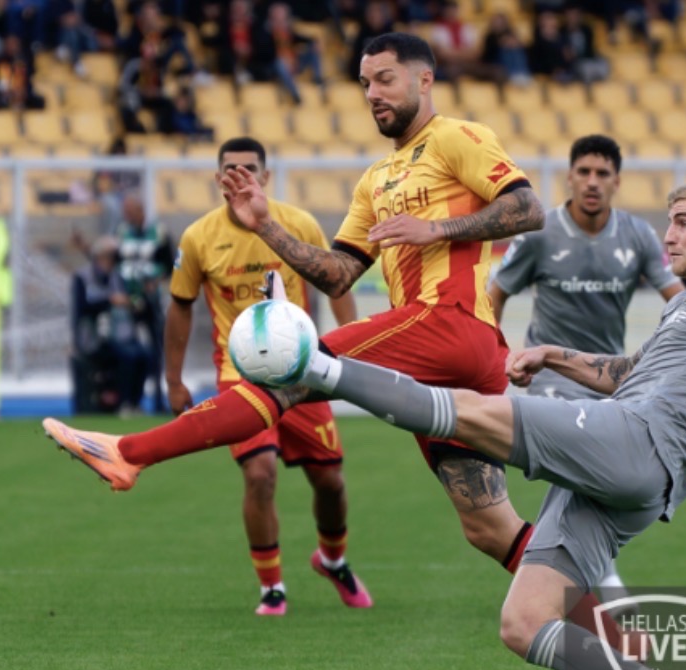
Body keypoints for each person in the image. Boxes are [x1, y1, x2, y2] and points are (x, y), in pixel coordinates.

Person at [257, 179, 686, 670]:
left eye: (684, 221)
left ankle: (314, 366)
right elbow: (627, 374)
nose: (669, 234)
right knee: (523, 624)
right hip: (632, 470)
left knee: (466, 411)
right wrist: (554, 354)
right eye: (670, 220)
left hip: (638, 443)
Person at [43, 32, 553, 601]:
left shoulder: (457, 137)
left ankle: (128, 454)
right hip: (449, 359)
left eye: (385, 79)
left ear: (423, 79)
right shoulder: (375, 180)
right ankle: (604, 621)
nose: (373, 94)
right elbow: (337, 273)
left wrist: (437, 228)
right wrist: (265, 224)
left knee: (288, 372)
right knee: (488, 527)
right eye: (365, 84)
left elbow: (529, 208)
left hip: (448, 323)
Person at [167, 137, 369, 615]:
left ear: (266, 177)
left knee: (331, 481)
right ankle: (271, 587)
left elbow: (334, 280)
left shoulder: (297, 224)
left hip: (303, 373)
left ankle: (333, 560)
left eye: (250, 169)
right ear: (218, 179)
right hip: (241, 377)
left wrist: (352, 343)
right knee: (260, 475)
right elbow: (179, 307)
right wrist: (173, 379)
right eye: (230, 169)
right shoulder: (198, 237)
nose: (240, 176)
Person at [489, 133, 682, 608]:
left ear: (617, 181)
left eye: (602, 174)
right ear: (570, 177)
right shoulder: (539, 234)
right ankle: (601, 579)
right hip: (549, 376)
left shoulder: (636, 235)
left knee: (593, 473)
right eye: (584, 172)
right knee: (572, 463)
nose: (592, 182)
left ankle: (558, 571)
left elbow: (677, 299)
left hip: (608, 380)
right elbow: (493, 295)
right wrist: (496, 357)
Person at [70, 235, 149, 414]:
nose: (112, 261)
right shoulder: (82, 277)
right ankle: (123, 403)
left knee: (144, 355)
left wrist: (134, 304)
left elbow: (132, 300)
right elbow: (81, 309)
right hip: (93, 339)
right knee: (128, 356)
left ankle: (134, 403)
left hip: (120, 335)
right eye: (109, 257)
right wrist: (110, 301)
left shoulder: (117, 277)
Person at [115, 193, 173, 413]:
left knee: (157, 351)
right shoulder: (121, 233)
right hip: (127, 303)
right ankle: (129, 400)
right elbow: (114, 263)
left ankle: (159, 400)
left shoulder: (159, 233)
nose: (126, 215)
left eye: (130, 210)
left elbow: (171, 263)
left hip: (153, 302)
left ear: (141, 211)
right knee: (131, 351)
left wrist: (155, 282)